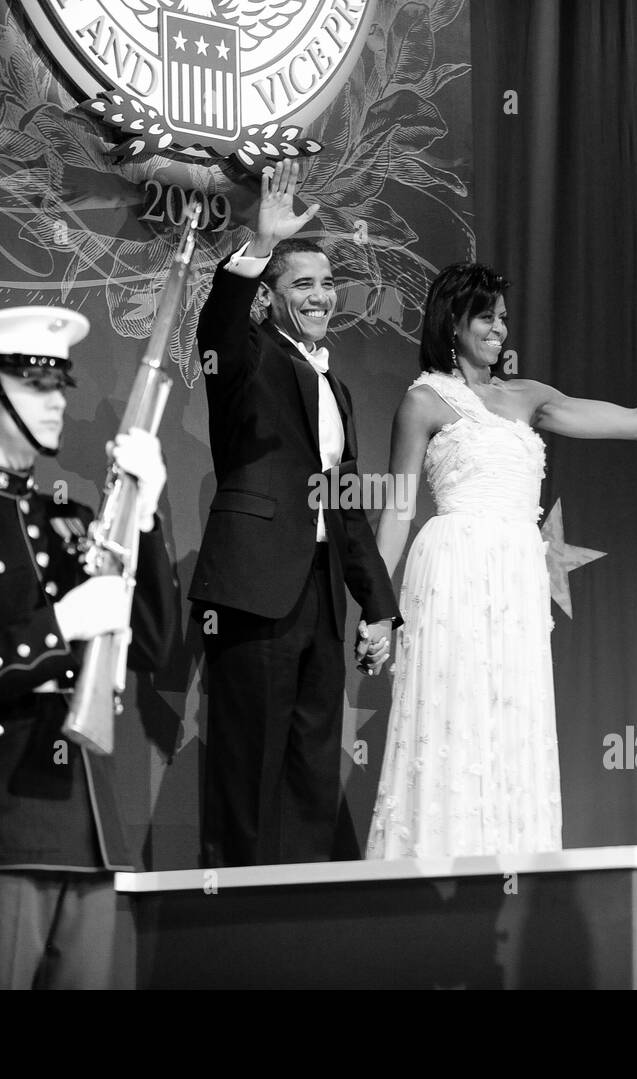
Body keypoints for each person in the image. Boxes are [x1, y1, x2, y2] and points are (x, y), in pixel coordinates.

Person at [366, 262, 637, 858]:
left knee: (511, 720)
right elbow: (398, 513)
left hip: (515, 573)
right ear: (452, 322)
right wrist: (378, 609)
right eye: (487, 316)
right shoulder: (424, 402)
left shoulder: (530, 397)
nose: (499, 329)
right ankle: (433, 871)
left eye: (504, 318)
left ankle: (510, 873)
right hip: (453, 570)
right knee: (449, 719)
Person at [0, 306, 179, 989]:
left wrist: (148, 514)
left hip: (87, 826)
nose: (56, 401)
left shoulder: (76, 522)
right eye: (34, 384)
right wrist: (61, 626)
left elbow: (158, 645)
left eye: (59, 385)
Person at [192, 161, 401, 867]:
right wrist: (255, 246)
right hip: (253, 591)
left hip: (318, 592)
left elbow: (347, 508)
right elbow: (216, 329)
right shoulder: (247, 358)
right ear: (270, 298)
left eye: (327, 283)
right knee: (248, 769)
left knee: (314, 769)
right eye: (302, 284)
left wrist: (378, 608)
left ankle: (304, 913)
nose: (319, 296)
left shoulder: (336, 387)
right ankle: (232, 930)